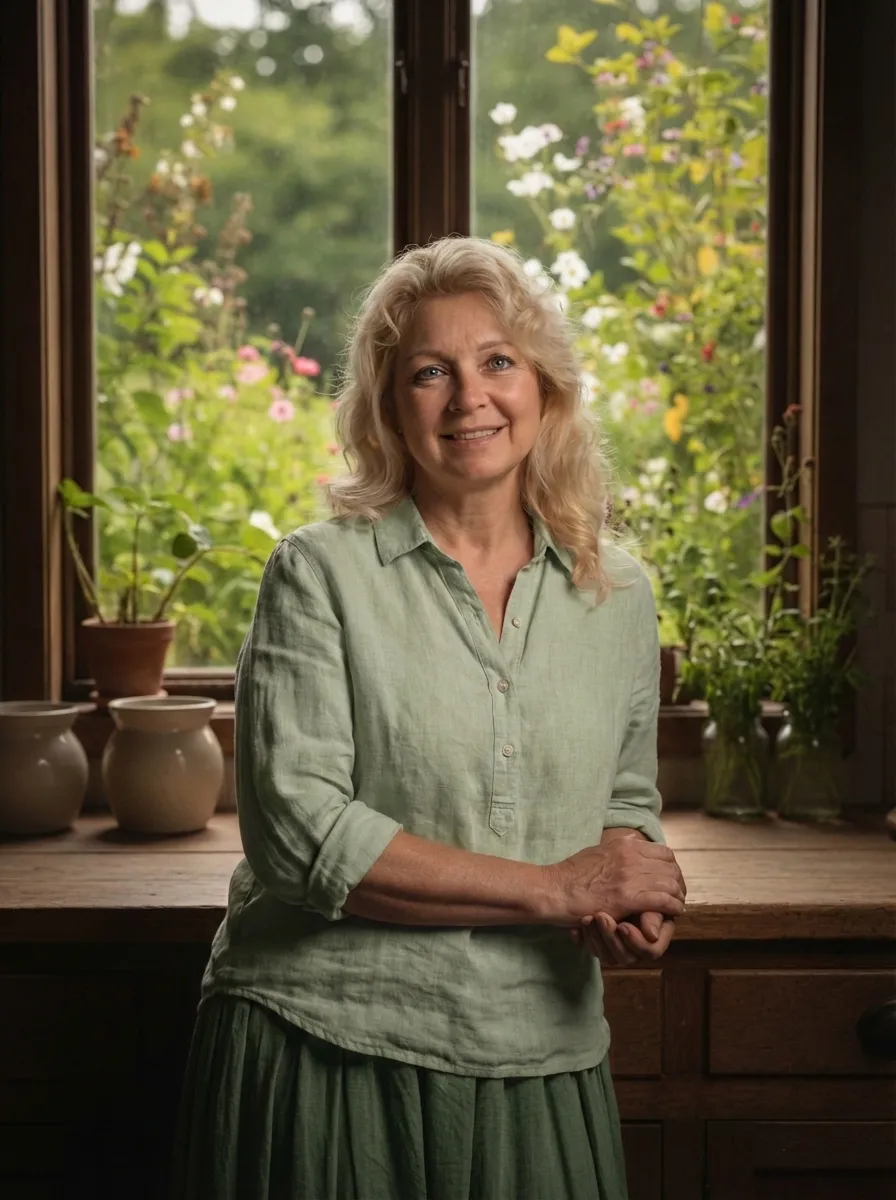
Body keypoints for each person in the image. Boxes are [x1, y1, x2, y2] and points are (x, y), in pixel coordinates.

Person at [170, 235, 688, 1200]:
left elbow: (623, 798)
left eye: (497, 361)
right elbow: (300, 835)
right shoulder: (318, 572)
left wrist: (631, 894)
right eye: (429, 372)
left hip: (543, 1041)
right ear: (386, 405)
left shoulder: (619, 592)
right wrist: (557, 888)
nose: (469, 397)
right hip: (326, 1042)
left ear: (545, 386)